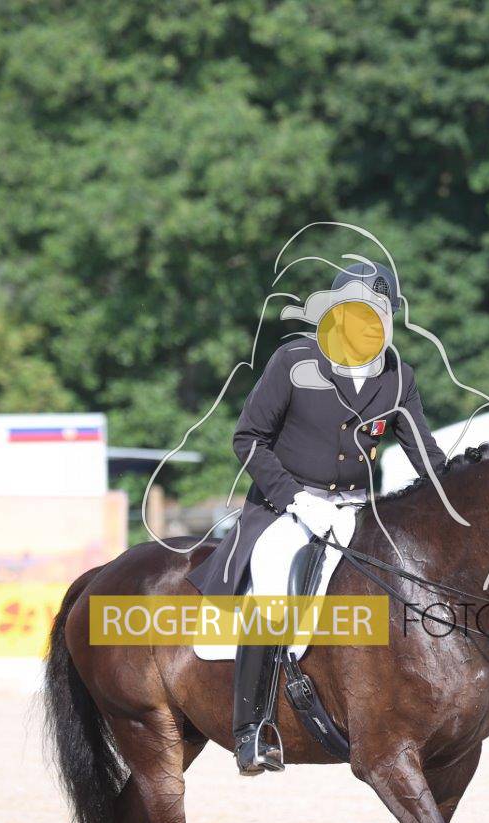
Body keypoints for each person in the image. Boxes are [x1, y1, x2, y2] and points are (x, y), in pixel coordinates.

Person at [186, 261, 448, 776]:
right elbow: (248, 439)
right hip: (288, 508)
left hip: (359, 509)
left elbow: (426, 456)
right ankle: (251, 729)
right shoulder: (294, 361)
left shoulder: (398, 376)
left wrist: (457, 498)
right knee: (274, 576)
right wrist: (293, 498)